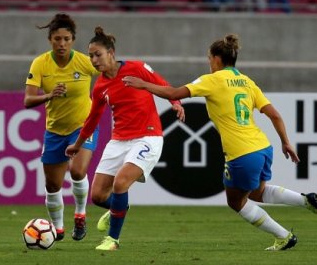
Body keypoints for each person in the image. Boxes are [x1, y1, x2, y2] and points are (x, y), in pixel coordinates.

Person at [122, 33, 317, 251]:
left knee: (236, 202)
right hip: (263, 147)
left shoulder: (212, 80)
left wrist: (143, 84)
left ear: (216, 58)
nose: (209, 63)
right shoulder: (247, 82)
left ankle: (284, 236)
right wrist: (286, 142)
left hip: (241, 152)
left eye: (209, 58)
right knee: (256, 193)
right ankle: (307, 200)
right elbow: (275, 115)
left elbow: (174, 92)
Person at [65, 26, 185, 251]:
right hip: (119, 140)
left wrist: (176, 103)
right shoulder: (100, 86)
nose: (93, 60)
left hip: (148, 137)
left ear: (111, 52)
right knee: (99, 196)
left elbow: (162, 83)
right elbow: (91, 120)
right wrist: (77, 145)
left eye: (97, 54)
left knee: (120, 183)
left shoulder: (136, 68)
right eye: (90, 55)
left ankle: (113, 240)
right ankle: (119, 208)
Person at [24, 13, 99, 242]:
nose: (62, 43)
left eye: (66, 39)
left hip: (83, 127)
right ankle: (57, 228)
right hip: (55, 131)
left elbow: (110, 72)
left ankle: (80, 215)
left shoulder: (84, 62)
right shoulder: (40, 63)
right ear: (50, 40)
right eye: (57, 39)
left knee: (77, 171)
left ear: (73, 40)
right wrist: (48, 95)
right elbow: (28, 100)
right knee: (53, 185)